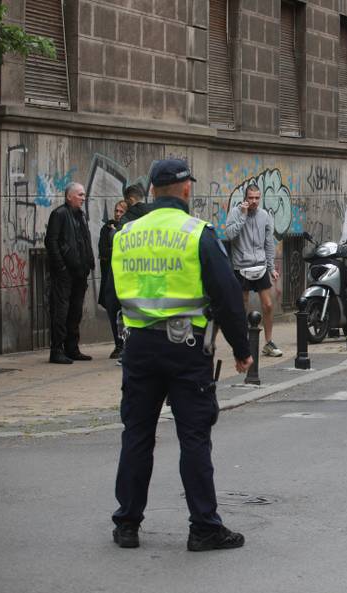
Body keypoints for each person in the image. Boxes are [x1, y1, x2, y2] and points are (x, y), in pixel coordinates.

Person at [108, 159, 253, 551]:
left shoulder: (126, 234)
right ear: (186, 189)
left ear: (153, 190)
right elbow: (227, 295)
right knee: (193, 437)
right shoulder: (198, 234)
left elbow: (110, 295)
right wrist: (242, 350)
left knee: (137, 434)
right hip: (186, 349)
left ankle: (127, 525)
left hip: (137, 346)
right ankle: (204, 527)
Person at [224, 184, 283, 357]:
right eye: (251, 198)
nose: (254, 201)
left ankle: (268, 342)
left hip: (260, 265)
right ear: (245, 198)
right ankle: (243, 343)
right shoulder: (235, 212)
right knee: (242, 305)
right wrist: (242, 216)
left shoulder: (264, 215)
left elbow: (269, 243)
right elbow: (229, 235)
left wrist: (271, 267)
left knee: (268, 304)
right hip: (241, 266)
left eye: (257, 198)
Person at [45, 182, 95, 364]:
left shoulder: (80, 216)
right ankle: (56, 349)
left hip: (80, 272)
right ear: (69, 196)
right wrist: (61, 267)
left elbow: (84, 241)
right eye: (80, 195)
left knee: (75, 311)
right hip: (65, 274)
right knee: (61, 311)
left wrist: (89, 263)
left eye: (84, 195)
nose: (83, 198)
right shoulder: (59, 214)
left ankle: (72, 348)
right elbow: (51, 242)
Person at [98, 199, 128, 358]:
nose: (117, 214)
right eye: (116, 211)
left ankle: (125, 344)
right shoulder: (107, 228)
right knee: (112, 309)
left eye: (121, 211)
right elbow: (103, 251)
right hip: (110, 275)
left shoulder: (129, 228)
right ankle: (118, 344)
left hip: (124, 277)